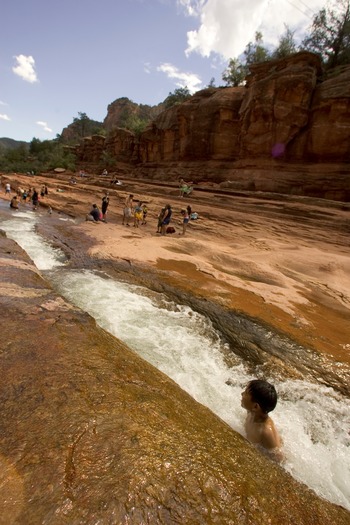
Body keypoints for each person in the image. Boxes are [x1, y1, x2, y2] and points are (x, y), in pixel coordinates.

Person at [241, 379, 283, 462]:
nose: (241, 394)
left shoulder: (265, 431)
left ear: (256, 406)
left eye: (245, 393)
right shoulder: (251, 412)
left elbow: (278, 459)